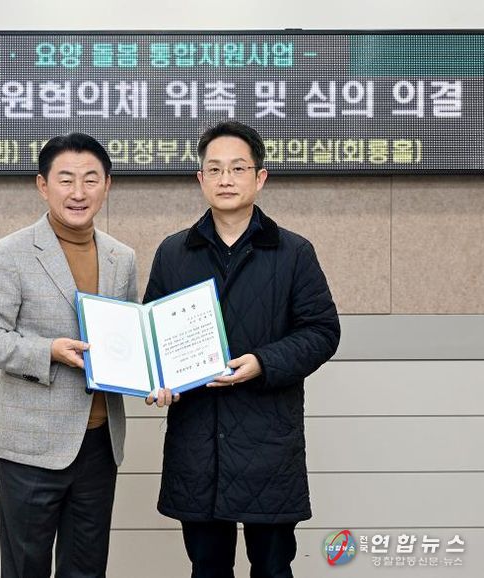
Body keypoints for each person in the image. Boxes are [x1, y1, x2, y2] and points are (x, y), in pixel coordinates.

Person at [143, 121, 340, 578]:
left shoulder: (293, 252)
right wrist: (158, 379)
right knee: (207, 567)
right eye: (214, 169)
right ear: (201, 179)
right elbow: (151, 335)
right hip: (198, 444)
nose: (226, 179)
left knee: (273, 568)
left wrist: (262, 363)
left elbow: (322, 331)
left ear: (260, 177)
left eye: (237, 168)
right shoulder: (174, 252)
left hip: (267, 444)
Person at [0, 132, 137, 578]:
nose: (78, 192)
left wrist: (154, 375)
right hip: (31, 445)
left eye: (90, 179)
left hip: (100, 445)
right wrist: (49, 352)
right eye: (66, 179)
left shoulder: (121, 257)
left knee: (87, 570)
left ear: (107, 185)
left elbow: (129, 338)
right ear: (43, 185)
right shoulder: (10, 253)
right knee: (26, 568)